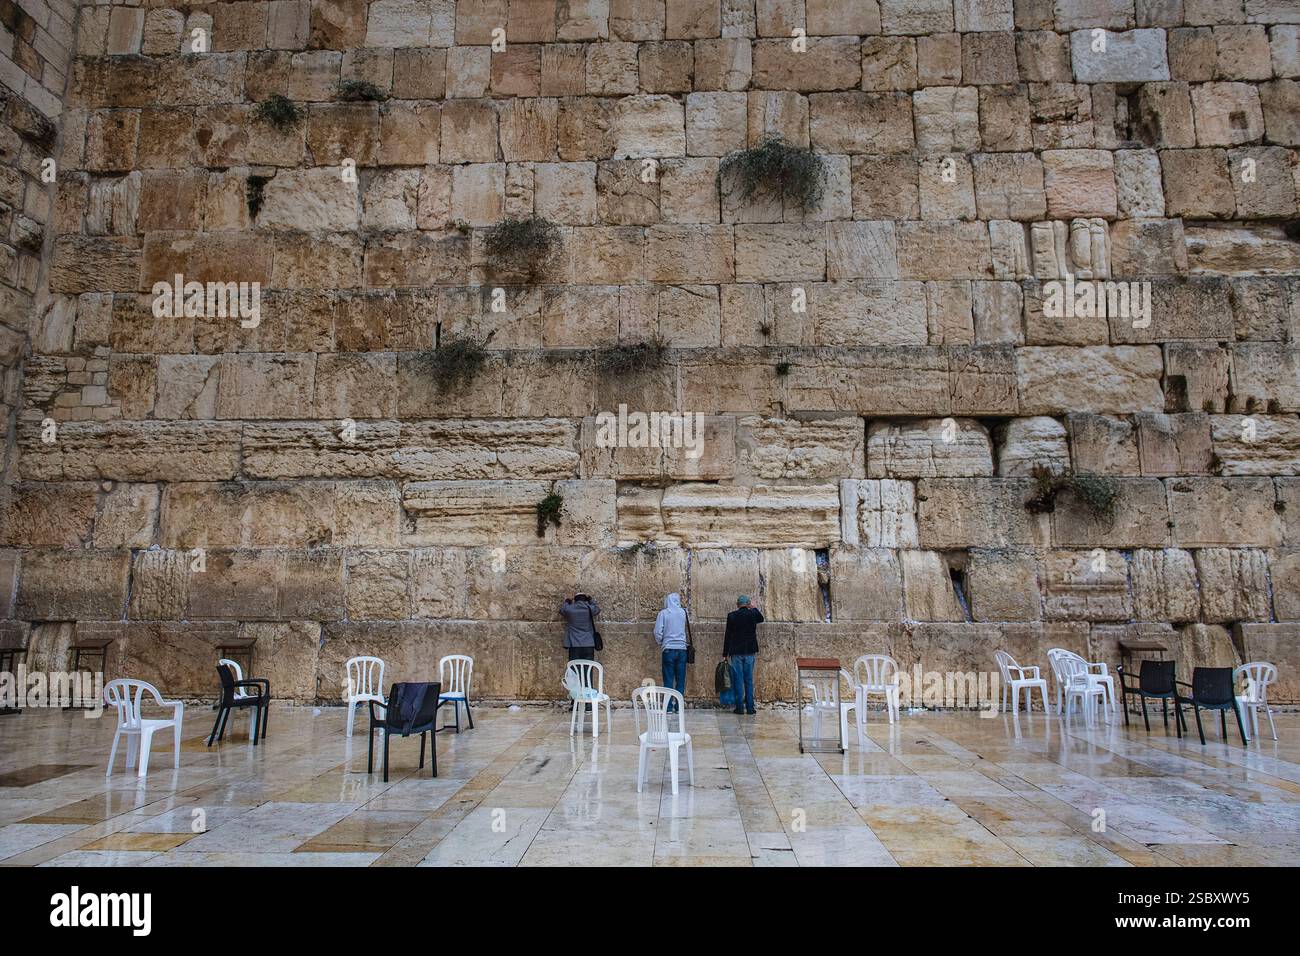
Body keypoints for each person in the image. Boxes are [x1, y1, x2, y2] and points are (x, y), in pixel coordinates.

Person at [723, 594, 763, 715]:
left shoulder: (732, 616)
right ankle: (750, 708)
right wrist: (754, 607)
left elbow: (728, 635)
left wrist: (725, 653)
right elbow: (761, 619)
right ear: (748, 604)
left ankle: (739, 708)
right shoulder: (752, 614)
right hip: (749, 651)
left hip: (736, 652)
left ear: (737, 605)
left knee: (738, 680)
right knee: (748, 680)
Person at [654, 592, 688, 710]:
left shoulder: (663, 613)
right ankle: (679, 707)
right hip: (682, 649)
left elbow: (658, 632)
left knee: (668, 680)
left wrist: (661, 642)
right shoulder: (683, 613)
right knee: (680, 680)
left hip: (668, 649)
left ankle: (668, 707)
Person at [560, 591, 600, 661]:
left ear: (575, 600)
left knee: (575, 669)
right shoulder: (590, 609)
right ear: (585, 600)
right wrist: (591, 600)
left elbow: (562, 610)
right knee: (588, 668)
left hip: (574, 644)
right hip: (589, 644)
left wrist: (567, 601)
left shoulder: (570, 609)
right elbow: (597, 609)